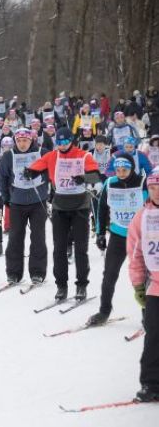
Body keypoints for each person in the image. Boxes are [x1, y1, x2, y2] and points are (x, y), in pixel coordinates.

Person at [25, 127, 101, 301]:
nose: (62, 145)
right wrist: (30, 171)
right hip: (60, 205)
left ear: (71, 141)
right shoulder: (52, 155)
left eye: (65, 142)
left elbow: (96, 176)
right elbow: (37, 166)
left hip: (80, 205)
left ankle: (81, 286)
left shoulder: (84, 155)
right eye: (59, 143)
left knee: (81, 249)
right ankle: (61, 286)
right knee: (59, 249)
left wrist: (85, 178)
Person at [87, 153, 146, 326]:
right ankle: (104, 311)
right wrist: (99, 233)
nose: (120, 173)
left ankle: (147, 314)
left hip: (140, 238)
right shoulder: (110, 183)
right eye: (118, 170)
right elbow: (102, 209)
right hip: (118, 236)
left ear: (131, 168)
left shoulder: (143, 183)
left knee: (144, 278)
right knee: (109, 275)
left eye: (124, 169)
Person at [0, 128, 49, 284]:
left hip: (38, 202)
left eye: (25, 140)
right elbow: (4, 178)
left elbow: (50, 172)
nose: (22, 144)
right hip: (17, 202)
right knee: (15, 238)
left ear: (31, 140)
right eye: (19, 141)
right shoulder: (8, 155)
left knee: (38, 238)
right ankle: (13, 273)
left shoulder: (42, 152)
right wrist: (6, 198)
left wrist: (48, 191)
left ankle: (37, 272)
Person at [126, 169, 159, 402]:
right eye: (153, 187)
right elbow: (135, 254)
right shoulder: (142, 217)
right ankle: (151, 384)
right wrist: (138, 285)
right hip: (156, 286)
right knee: (154, 336)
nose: (157, 191)